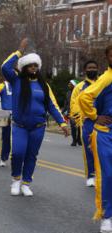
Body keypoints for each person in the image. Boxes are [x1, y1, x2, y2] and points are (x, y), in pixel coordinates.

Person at [1, 38, 68, 197]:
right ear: (24, 67)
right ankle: (16, 180)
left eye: (35, 66)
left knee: (31, 155)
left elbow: (52, 105)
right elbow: (5, 67)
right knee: (18, 153)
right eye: (30, 65)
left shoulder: (44, 85)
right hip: (19, 126)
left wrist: (62, 123)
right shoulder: (16, 80)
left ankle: (26, 183)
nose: (33, 68)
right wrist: (19, 51)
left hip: (38, 127)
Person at [78, 46, 112, 233]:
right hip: (105, 132)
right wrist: (93, 116)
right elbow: (84, 97)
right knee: (108, 175)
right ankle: (106, 215)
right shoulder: (106, 79)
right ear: (107, 58)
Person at [70, 61, 99, 187]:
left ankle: (102, 174)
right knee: (89, 149)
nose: (92, 69)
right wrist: (79, 117)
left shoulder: (103, 84)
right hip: (87, 121)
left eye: (94, 67)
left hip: (104, 121)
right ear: (85, 70)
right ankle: (91, 175)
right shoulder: (79, 87)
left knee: (104, 150)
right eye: (89, 68)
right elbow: (74, 104)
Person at [62, 80, 81, 147]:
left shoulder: (79, 92)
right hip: (71, 113)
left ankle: (79, 139)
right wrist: (63, 111)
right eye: (69, 84)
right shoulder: (68, 93)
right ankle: (74, 141)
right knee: (73, 127)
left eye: (70, 84)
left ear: (74, 85)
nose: (69, 85)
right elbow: (66, 103)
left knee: (79, 127)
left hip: (79, 112)